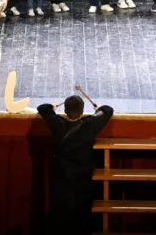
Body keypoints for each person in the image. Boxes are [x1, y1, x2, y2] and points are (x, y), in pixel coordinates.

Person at [37, 96, 114, 235]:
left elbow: (43, 108)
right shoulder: (89, 125)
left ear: (65, 110)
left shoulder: (57, 123)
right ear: (82, 110)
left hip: (61, 178)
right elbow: (107, 110)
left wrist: (54, 106)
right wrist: (98, 110)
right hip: (82, 178)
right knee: (81, 213)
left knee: (60, 213)